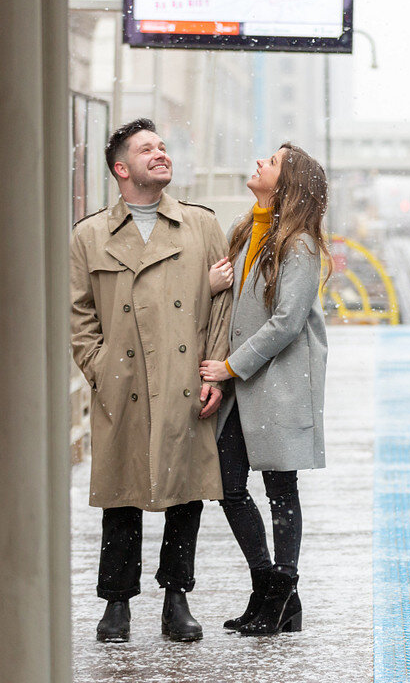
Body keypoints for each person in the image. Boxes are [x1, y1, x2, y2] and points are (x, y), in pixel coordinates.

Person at [70, 118, 233, 643]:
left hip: (184, 379)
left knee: (185, 495)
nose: (160, 154)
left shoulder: (201, 225)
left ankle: (176, 599)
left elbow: (221, 307)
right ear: (122, 169)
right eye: (147, 149)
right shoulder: (89, 235)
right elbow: (79, 318)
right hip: (124, 382)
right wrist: (103, 370)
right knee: (121, 496)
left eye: (163, 147)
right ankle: (116, 604)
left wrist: (215, 373)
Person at [199, 142, 329, 637]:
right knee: (229, 487)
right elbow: (236, 304)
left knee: (280, 489)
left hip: (275, 383)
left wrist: (230, 367)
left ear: (288, 184)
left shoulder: (299, 245)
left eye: (271, 162)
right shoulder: (245, 231)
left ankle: (278, 596)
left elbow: (288, 322)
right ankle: (271, 591)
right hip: (241, 384)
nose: (259, 162)